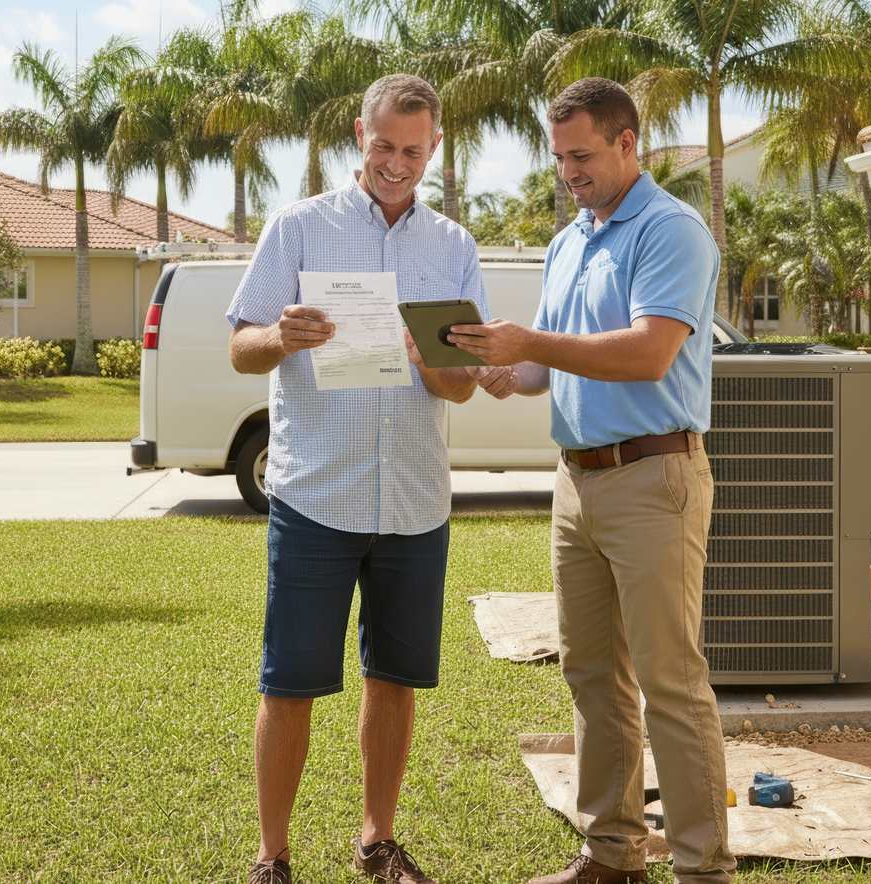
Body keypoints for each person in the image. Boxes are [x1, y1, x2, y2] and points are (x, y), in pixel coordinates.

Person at [449, 78, 736, 883]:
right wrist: (505, 370)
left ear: (626, 142)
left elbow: (648, 351)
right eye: (558, 158)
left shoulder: (672, 231)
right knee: (590, 675)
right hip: (576, 483)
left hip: (654, 477)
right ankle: (611, 855)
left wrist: (528, 339)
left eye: (582, 155)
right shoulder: (571, 239)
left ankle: (703, 867)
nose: (569, 171)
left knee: (669, 682)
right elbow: (553, 361)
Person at [226, 73, 485, 884]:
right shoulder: (299, 226)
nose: (397, 163)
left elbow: (462, 384)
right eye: (383, 146)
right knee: (289, 683)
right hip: (315, 496)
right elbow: (241, 347)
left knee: (395, 680)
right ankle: (272, 856)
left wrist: (431, 359)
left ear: (434, 147)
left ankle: (376, 841)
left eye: (413, 149)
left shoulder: (454, 246)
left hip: (413, 499)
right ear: (357, 135)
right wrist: (281, 335)